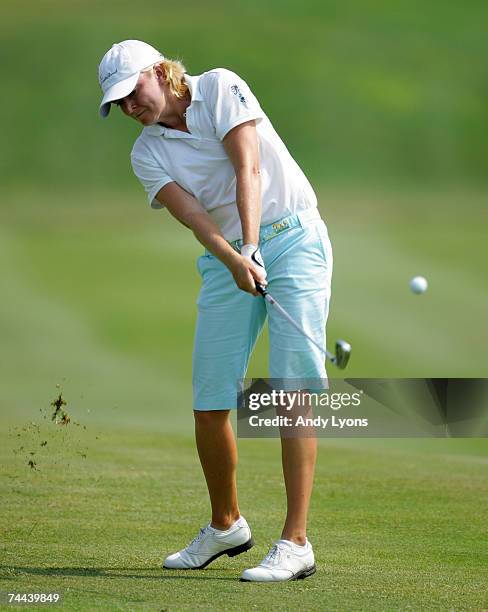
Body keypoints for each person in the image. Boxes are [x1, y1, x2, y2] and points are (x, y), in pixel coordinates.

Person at [98, 39, 333, 582]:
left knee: (291, 390)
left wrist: (251, 246)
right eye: (120, 105)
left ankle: (296, 542)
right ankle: (226, 524)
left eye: (134, 94)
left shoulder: (220, 87)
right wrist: (233, 257)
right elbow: (195, 217)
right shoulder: (146, 153)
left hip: (292, 238)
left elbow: (246, 167)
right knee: (210, 399)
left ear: (160, 72)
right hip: (225, 257)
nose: (131, 109)